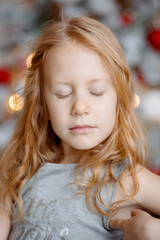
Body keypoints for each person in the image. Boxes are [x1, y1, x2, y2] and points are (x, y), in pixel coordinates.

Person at [0, 15, 160, 240]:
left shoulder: (128, 180)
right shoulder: (21, 171)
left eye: (96, 91)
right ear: (43, 105)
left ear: (119, 99)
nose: (80, 107)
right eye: (63, 94)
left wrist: (151, 231)